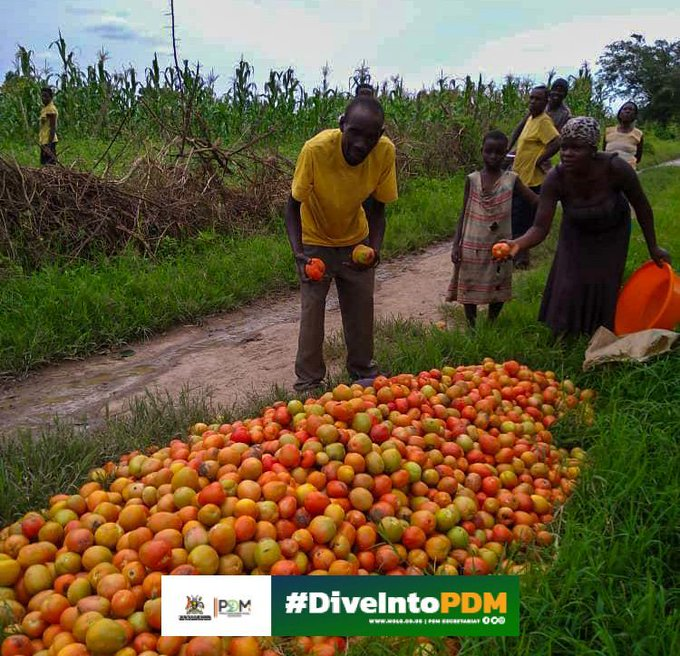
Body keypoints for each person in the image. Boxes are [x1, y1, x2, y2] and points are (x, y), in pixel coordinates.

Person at [504, 117, 671, 338]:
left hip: (612, 231)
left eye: (576, 148)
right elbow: (539, 227)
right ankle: (562, 334)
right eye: (564, 147)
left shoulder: (615, 168)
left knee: (603, 280)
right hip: (575, 230)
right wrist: (517, 243)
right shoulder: (556, 177)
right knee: (569, 280)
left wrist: (653, 247)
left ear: (593, 150)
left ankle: (597, 332)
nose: (567, 153)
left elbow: (642, 207)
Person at [285, 96, 398, 393]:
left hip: (355, 240)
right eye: (355, 133)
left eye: (371, 137)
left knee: (361, 308)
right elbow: (292, 206)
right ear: (342, 125)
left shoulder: (384, 152)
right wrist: (298, 253)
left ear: (381, 135)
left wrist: (375, 248)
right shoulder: (316, 150)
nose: (362, 144)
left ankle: (363, 370)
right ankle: (309, 382)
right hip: (314, 241)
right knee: (312, 312)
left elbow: (378, 208)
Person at [445, 130, 538, 327]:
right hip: (472, 243)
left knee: (499, 283)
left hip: (500, 245)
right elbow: (464, 213)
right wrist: (456, 245)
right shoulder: (472, 179)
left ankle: (491, 323)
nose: (493, 157)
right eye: (489, 152)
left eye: (498, 153)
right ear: (482, 151)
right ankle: (471, 326)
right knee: (469, 283)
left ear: (506, 154)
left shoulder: (512, 180)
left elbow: (535, 201)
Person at [508, 86, 561, 268]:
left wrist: (540, 160)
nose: (533, 102)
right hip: (520, 177)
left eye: (538, 99)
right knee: (516, 218)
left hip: (531, 180)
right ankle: (517, 256)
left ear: (546, 102)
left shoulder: (544, 121)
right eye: (531, 98)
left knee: (522, 220)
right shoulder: (531, 119)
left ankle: (521, 260)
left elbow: (556, 142)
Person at [604, 101, 643, 169]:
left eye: (631, 110)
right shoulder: (608, 131)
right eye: (625, 109)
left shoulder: (638, 134)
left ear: (635, 115)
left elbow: (638, 158)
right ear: (619, 114)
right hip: (608, 172)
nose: (627, 111)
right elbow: (604, 152)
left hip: (628, 173)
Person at [39, 87, 58, 166]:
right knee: (44, 163)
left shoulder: (51, 109)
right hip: (44, 140)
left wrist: (49, 146)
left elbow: (52, 128)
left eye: (46, 96)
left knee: (49, 165)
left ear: (51, 97)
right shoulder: (45, 108)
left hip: (49, 141)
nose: (44, 98)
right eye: (42, 96)